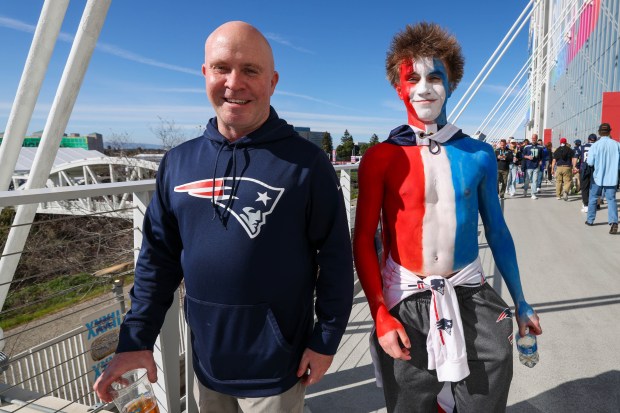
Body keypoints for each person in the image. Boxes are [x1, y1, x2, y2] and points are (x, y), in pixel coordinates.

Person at [93, 21, 354, 412]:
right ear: (204, 74)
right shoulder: (178, 163)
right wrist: (136, 340)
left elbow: (334, 257)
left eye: (250, 70)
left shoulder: (305, 162)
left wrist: (327, 338)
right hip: (206, 364)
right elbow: (158, 261)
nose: (234, 83)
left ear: (272, 81)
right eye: (221, 68)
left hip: (277, 366)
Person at [353, 22, 542, 413]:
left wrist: (521, 301)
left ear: (451, 84)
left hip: (470, 288)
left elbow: (498, 231)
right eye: (413, 78)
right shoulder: (381, 157)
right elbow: (363, 240)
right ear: (399, 87)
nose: (424, 87)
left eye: (435, 77)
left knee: (488, 387)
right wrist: (380, 314)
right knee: (410, 400)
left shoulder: (478, 154)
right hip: (407, 296)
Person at [585, 123, 620, 234]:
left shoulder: (595, 145)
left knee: (593, 198)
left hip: (597, 178)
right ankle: (614, 222)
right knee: (611, 200)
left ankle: (590, 220)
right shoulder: (617, 145)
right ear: (610, 131)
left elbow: (590, 162)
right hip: (612, 178)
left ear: (599, 132)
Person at [576, 134, 597, 212]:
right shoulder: (598, 146)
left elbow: (577, 157)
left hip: (584, 167)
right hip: (595, 168)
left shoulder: (582, 146)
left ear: (588, 139)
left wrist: (576, 166)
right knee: (594, 187)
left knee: (584, 187)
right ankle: (595, 204)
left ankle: (586, 205)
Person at [522, 134, 544, 199]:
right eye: (533, 138)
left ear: (537, 138)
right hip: (528, 166)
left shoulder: (540, 147)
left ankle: (533, 194)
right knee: (527, 180)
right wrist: (528, 157)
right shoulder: (527, 147)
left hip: (536, 166)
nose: (533, 139)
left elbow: (542, 156)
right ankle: (525, 189)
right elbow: (522, 155)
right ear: (531, 138)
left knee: (535, 180)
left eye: (535, 138)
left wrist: (541, 161)